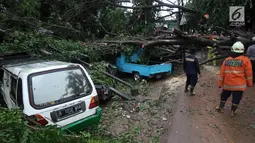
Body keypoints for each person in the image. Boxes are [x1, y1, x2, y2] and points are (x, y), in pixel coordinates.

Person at [217, 41, 253, 117]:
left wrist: (220, 84)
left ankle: (221, 108)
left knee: (224, 96)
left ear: (232, 50)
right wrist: (250, 83)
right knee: (236, 99)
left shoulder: (227, 60)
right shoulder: (246, 60)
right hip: (239, 86)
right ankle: (233, 112)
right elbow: (249, 74)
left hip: (228, 85)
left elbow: (222, 73)